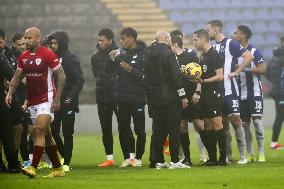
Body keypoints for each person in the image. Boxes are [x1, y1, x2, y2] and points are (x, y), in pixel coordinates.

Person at [6, 27, 66, 178]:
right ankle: (58, 168)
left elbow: (61, 76)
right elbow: (17, 77)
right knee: (46, 135)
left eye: (29, 38)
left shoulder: (47, 54)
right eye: (25, 38)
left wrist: (57, 99)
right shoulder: (23, 57)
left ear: (38, 38)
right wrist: (10, 94)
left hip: (48, 98)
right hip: (32, 100)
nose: (26, 41)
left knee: (38, 130)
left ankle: (33, 167)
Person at [206, 20, 254, 164]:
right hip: (217, 91)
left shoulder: (230, 43)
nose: (207, 33)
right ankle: (227, 156)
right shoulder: (213, 47)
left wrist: (237, 71)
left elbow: (249, 57)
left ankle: (243, 156)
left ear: (216, 29)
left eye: (208, 30)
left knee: (236, 121)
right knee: (223, 125)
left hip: (230, 90)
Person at [145, 31, 189, 169]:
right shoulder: (169, 54)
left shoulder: (147, 54)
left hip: (154, 97)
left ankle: (159, 161)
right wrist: (182, 95)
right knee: (173, 129)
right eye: (169, 38)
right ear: (165, 39)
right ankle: (175, 161)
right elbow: (176, 77)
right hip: (169, 97)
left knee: (158, 130)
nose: (171, 40)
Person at [49, 31, 85, 171]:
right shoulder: (51, 57)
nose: (53, 45)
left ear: (62, 43)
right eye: (52, 43)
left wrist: (71, 96)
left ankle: (66, 163)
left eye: (55, 43)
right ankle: (63, 154)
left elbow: (79, 80)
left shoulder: (71, 59)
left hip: (68, 101)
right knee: (52, 131)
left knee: (68, 132)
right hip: (54, 100)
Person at [170, 30, 207, 163]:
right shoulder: (171, 58)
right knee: (181, 126)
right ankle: (187, 158)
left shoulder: (190, 55)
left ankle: (209, 155)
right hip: (178, 98)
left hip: (192, 96)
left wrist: (198, 91)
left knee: (199, 125)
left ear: (174, 44)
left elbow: (199, 74)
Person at [111, 27, 146, 167]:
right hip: (122, 98)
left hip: (137, 98)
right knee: (123, 128)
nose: (121, 41)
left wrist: (131, 70)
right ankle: (128, 157)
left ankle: (138, 157)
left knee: (139, 130)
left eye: (123, 38)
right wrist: (111, 58)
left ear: (132, 38)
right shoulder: (121, 54)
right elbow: (110, 71)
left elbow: (146, 77)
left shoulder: (144, 54)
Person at [232, 25, 266, 162]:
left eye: (236, 33)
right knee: (245, 125)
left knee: (257, 121)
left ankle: (262, 153)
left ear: (243, 35)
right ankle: (251, 153)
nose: (234, 35)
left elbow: (262, 69)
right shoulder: (235, 53)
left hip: (255, 93)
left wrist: (242, 70)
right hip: (240, 95)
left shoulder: (254, 51)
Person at [192, 29, 225, 166]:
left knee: (217, 123)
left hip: (214, 93)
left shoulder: (214, 55)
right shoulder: (202, 56)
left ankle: (222, 159)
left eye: (195, 40)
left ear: (203, 39)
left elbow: (220, 76)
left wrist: (203, 82)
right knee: (207, 125)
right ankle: (212, 158)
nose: (194, 42)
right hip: (205, 94)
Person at [91, 28, 119, 167]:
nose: (99, 42)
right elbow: (97, 75)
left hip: (118, 96)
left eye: (102, 40)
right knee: (106, 128)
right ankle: (109, 158)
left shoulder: (119, 53)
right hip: (102, 97)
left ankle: (129, 157)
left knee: (124, 127)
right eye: (99, 40)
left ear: (110, 40)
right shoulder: (95, 57)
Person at [0, 29, 20, 173]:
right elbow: (11, 74)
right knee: (7, 132)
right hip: (1, 100)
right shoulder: (1, 56)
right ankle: (13, 165)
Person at [266, 36, 284, 149]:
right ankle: (273, 143)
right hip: (281, 91)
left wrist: (276, 83)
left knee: (280, 116)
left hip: (276, 90)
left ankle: (274, 142)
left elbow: (267, 74)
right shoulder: (282, 57)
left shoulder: (273, 57)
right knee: (280, 116)